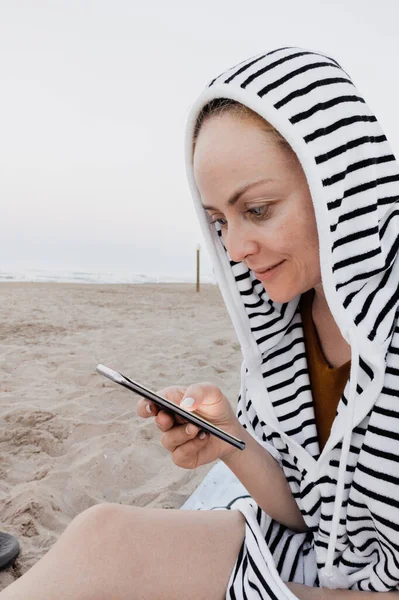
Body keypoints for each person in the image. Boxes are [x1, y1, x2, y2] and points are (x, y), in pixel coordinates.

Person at [1, 46, 399, 599]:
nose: (235, 248)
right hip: (317, 565)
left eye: (257, 209)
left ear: (342, 187)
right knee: (106, 533)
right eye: (218, 221)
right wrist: (230, 439)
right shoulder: (285, 326)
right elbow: (312, 515)